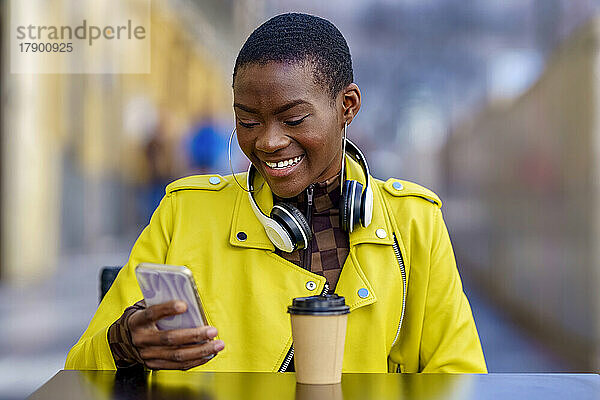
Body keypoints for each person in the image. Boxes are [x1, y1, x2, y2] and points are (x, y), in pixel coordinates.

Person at [66, 13, 487, 373]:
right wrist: (123, 344)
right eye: (247, 121)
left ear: (348, 107)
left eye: (294, 118)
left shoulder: (414, 222)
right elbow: (79, 369)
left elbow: (462, 376)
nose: (268, 142)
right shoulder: (183, 212)